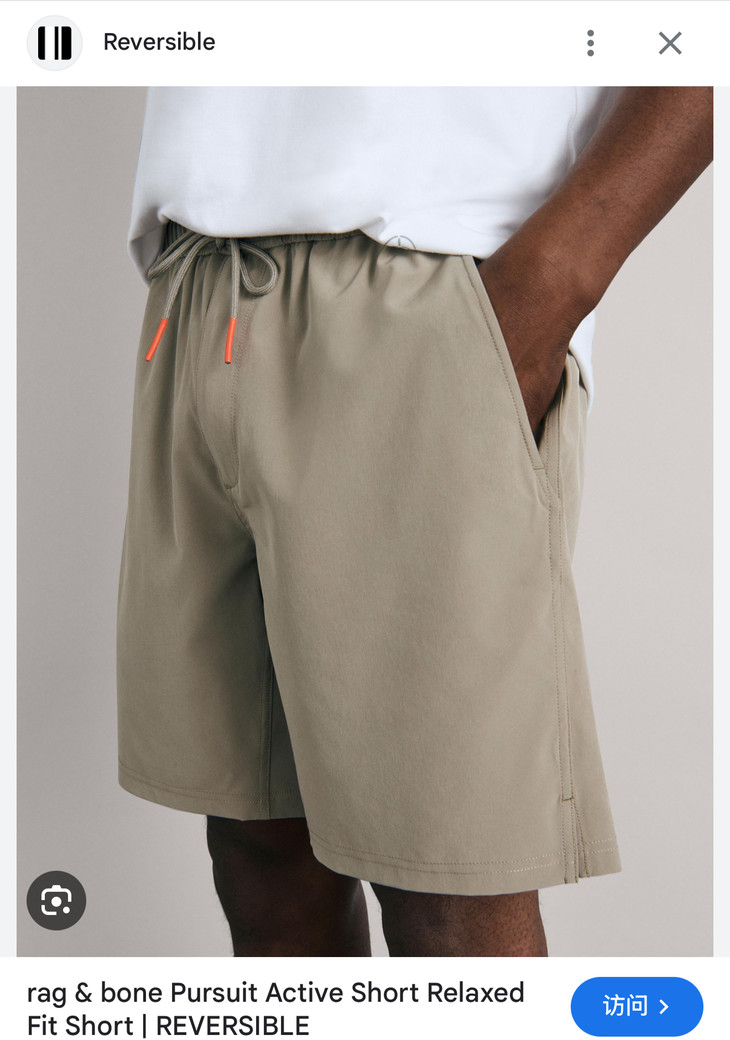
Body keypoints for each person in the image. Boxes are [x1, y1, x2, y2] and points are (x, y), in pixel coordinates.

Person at [117, 86, 712, 957]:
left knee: (444, 884)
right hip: (205, 280)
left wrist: (550, 285)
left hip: (424, 278)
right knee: (258, 846)